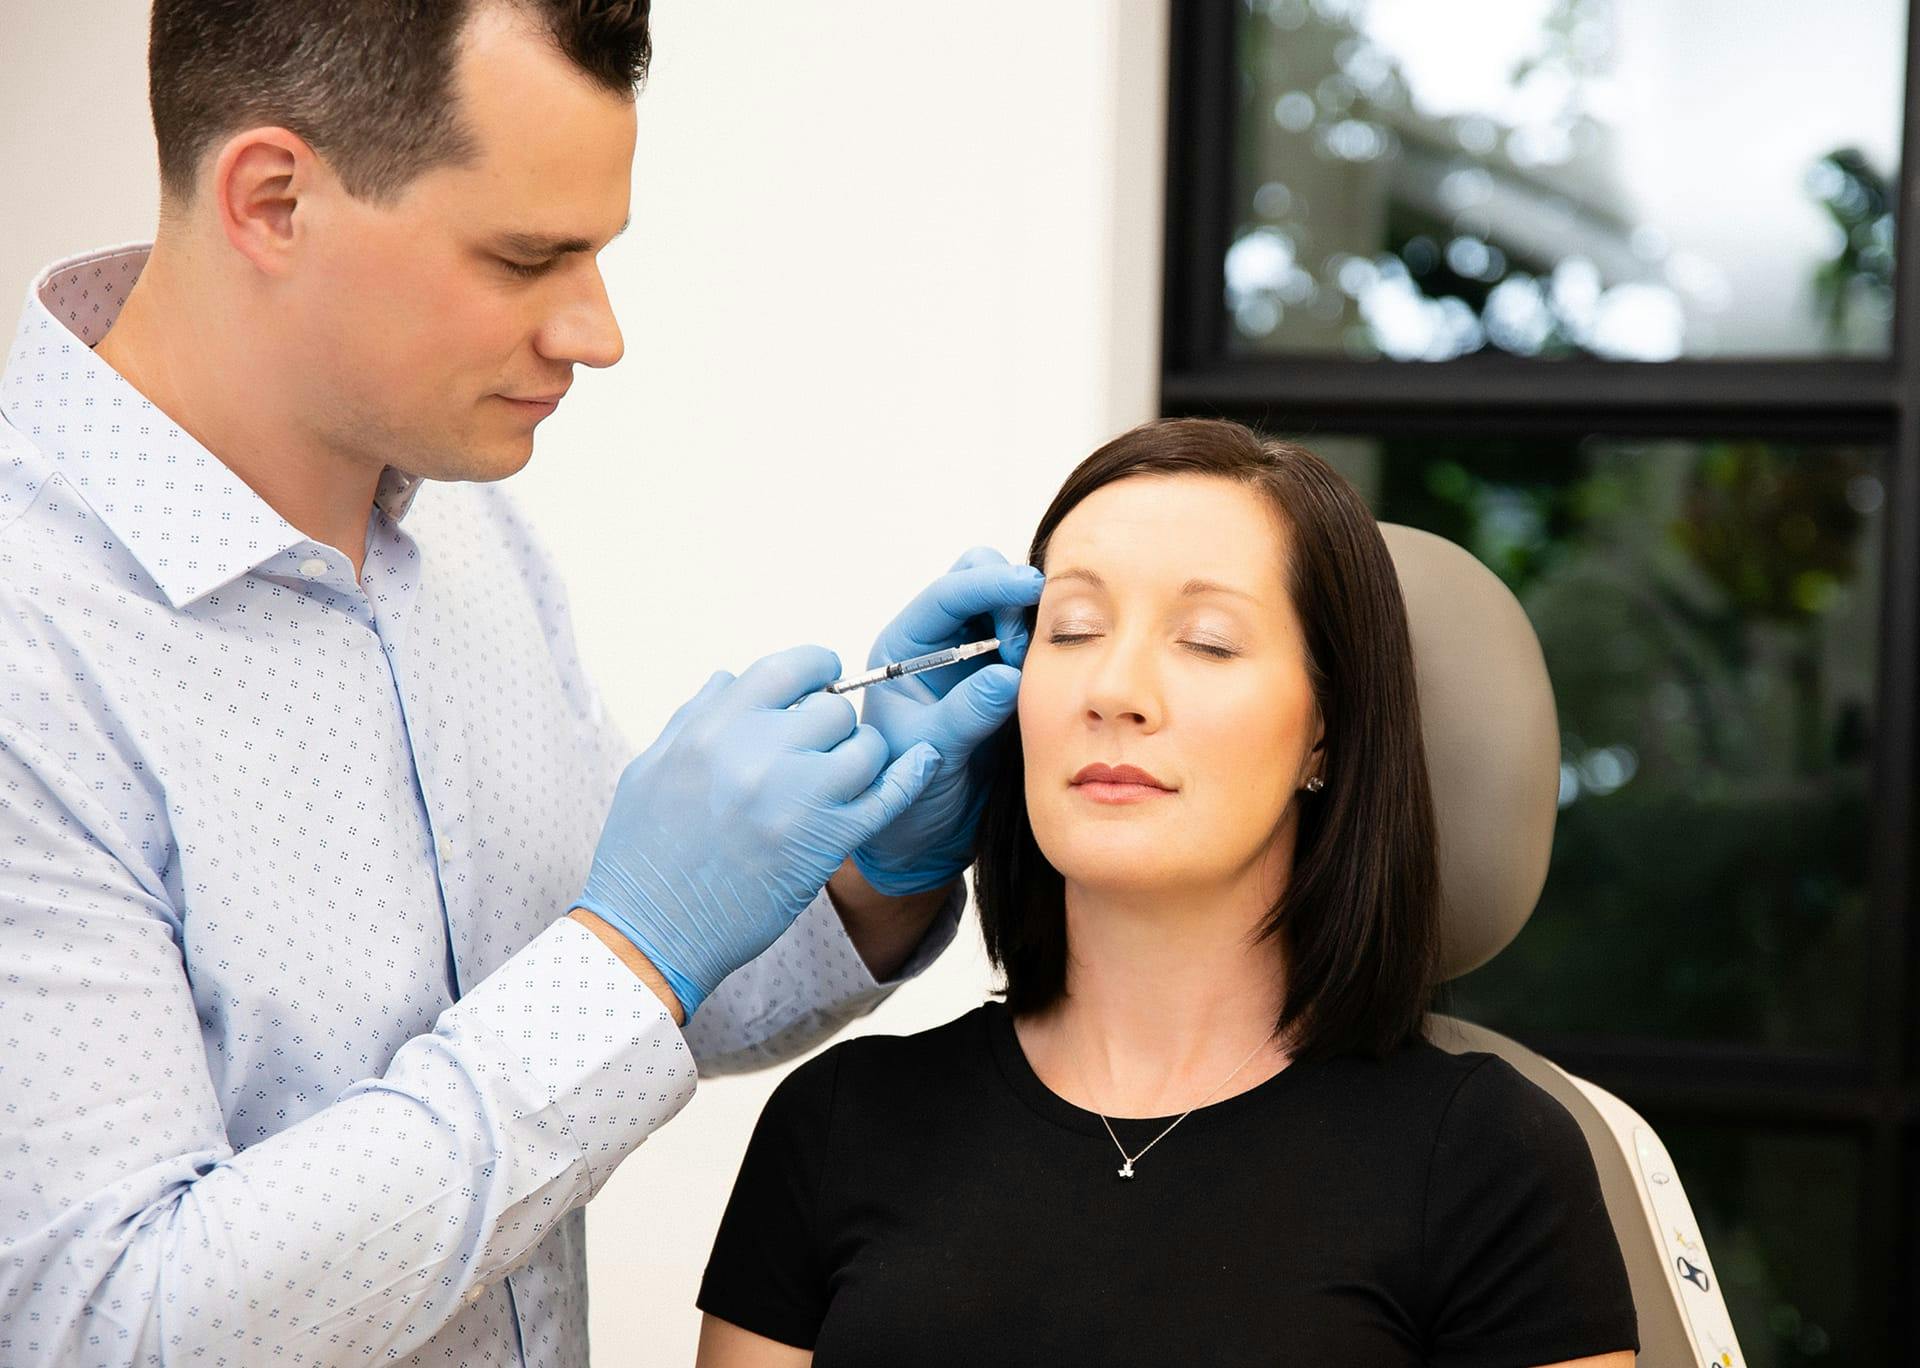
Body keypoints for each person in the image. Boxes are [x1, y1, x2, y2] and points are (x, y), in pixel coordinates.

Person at [0, 3, 1043, 1365]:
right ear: (271, 199)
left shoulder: (466, 535)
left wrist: (866, 873)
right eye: (526, 256)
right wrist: (632, 949)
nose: (595, 334)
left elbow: (613, 1003)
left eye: (596, 252)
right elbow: (107, 1326)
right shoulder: (34, 651)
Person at [695, 418, 1641, 1368]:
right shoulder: (839, 1124)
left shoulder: (1489, 1157)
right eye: (1071, 630)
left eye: (1208, 642)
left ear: (1326, 733)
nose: (1113, 687)